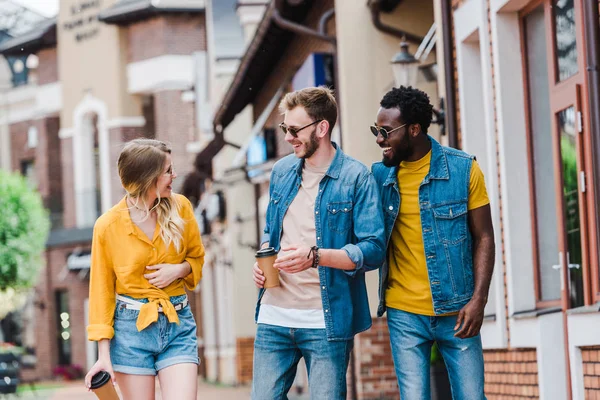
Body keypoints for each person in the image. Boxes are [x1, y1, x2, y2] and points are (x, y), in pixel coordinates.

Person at [251, 86, 386, 399]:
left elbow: (374, 249)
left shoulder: (356, 177)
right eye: (286, 128)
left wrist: (316, 257)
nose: (288, 137)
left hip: (326, 320)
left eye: (295, 129)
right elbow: (271, 232)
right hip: (274, 315)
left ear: (322, 128)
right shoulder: (281, 171)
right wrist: (262, 266)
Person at [371, 86, 495, 399]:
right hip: (404, 312)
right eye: (376, 130)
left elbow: (485, 236)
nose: (379, 139)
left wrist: (479, 300)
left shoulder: (464, 169)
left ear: (413, 129)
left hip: (458, 310)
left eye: (385, 131)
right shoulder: (378, 179)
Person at [84, 139, 204, 400]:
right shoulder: (107, 226)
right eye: (168, 171)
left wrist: (178, 270)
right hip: (130, 333)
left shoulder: (181, 206)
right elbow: (101, 292)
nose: (174, 175)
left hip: (177, 323)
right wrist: (103, 356)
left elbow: (197, 258)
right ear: (148, 177)